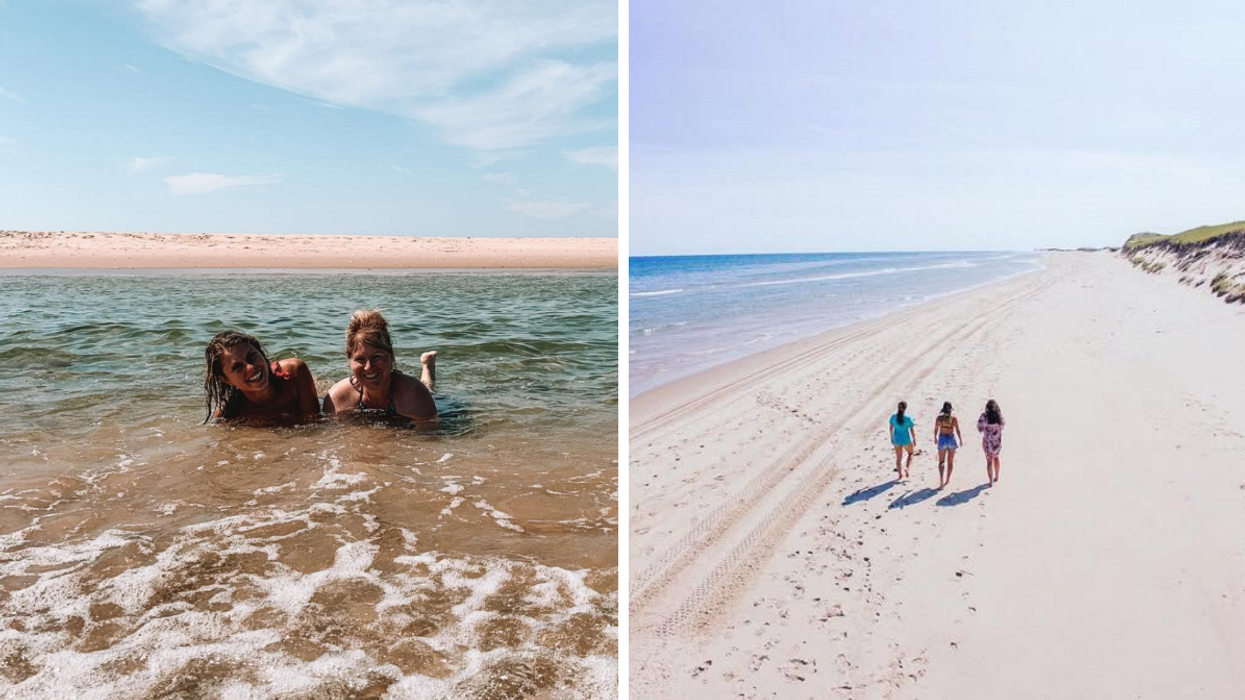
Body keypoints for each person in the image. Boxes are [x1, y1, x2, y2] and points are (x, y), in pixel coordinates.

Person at [323, 310, 438, 421]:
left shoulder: (415, 395)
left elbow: (429, 435)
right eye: (360, 359)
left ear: (391, 356)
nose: (368, 367)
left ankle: (428, 366)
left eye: (377, 357)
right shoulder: (338, 398)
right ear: (350, 361)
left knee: (429, 389)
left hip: (412, 390)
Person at [203, 330, 320, 424]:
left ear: (261, 354)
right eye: (237, 367)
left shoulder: (294, 373)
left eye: (252, 356)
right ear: (226, 379)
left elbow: (314, 424)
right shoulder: (228, 412)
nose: (250, 367)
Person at [933, 401, 963, 489]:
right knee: (950, 461)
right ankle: (947, 480)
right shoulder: (953, 419)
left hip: (942, 438)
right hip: (951, 438)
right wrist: (960, 440)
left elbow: (935, 429)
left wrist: (935, 437)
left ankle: (941, 481)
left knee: (941, 462)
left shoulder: (939, 418)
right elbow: (957, 430)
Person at [977, 399, 1005, 486]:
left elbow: (979, 429)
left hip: (988, 443)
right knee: (996, 458)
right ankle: (996, 476)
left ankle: (990, 482)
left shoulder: (984, 416)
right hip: (997, 443)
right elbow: (1003, 426)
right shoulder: (999, 417)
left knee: (989, 461)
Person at [889, 401, 917, 479]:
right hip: (906, 439)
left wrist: (891, 438)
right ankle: (907, 468)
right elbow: (912, 430)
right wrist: (914, 439)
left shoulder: (893, 417)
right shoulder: (908, 419)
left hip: (896, 439)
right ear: (905, 408)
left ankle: (900, 474)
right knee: (911, 453)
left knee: (898, 458)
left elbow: (891, 428)